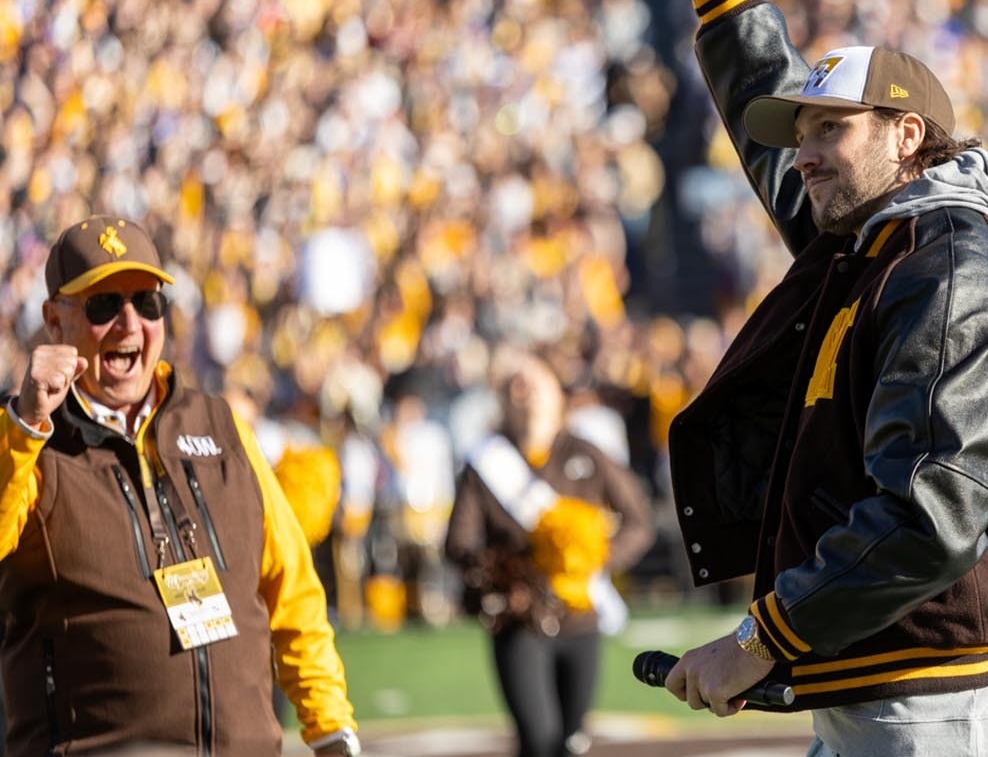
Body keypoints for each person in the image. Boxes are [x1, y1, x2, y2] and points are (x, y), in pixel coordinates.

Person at [662, 0, 988, 757]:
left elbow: (928, 511)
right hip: (892, 701)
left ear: (906, 136)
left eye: (831, 129)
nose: (806, 151)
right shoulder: (880, 239)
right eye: (802, 130)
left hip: (942, 718)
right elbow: (785, 170)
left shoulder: (948, 262)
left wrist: (760, 639)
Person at [0, 215, 358, 755]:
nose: (129, 324)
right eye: (103, 305)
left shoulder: (221, 425)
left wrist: (330, 727)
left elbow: (292, 590)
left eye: (147, 303)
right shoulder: (26, 442)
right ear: (54, 322)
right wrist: (25, 427)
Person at [445, 352, 654, 757]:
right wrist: (508, 574)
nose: (526, 393)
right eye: (514, 385)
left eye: (534, 382)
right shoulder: (484, 463)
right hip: (521, 621)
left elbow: (638, 520)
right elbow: (459, 543)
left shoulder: (587, 453)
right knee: (537, 740)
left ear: (557, 394)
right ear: (503, 400)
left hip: (581, 618)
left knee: (573, 742)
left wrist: (593, 558)